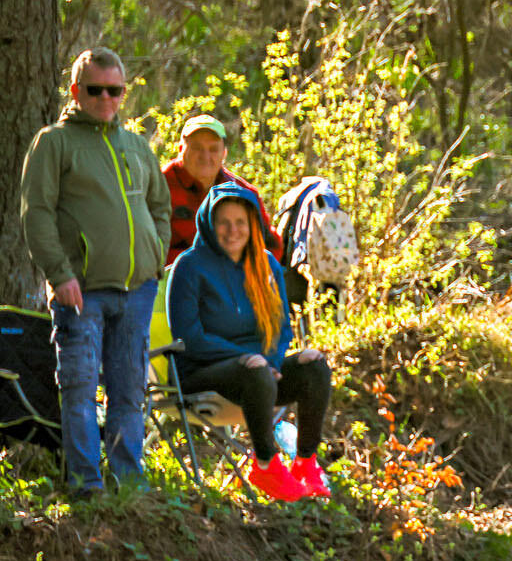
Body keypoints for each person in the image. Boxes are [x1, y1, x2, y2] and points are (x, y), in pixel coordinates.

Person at [19, 48, 172, 495]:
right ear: (75, 91)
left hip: (136, 292)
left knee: (128, 393)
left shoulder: (137, 146)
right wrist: (60, 274)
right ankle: (87, 485)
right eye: (95, 89)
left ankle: (128, 485)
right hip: (80, 292)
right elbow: (36, 214)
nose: (106, 98)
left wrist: (153, 258)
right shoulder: (54, 142)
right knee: (80, 389)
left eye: (115, 90)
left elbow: (160, 208)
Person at [165, 182, 332, 501]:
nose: (233, 231)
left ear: (252, 224)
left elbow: (281, 327)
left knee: (314, 364)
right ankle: (266, 463)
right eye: (224, 222)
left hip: (259, 374)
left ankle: (305, 463)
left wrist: (271, 361)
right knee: (254, 370)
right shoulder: (190, 266)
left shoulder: (265, 264)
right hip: (201, 372)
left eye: (240, 222)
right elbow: (189, 338)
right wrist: (246, 358)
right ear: (209, 223)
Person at [162, 114, 281, 265]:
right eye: (197, 148)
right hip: (172, 275)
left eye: (213, 149)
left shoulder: (242, 191)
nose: (205, 156)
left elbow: (271, 245)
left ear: (224, 153)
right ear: (180, 149)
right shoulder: (158, 187)